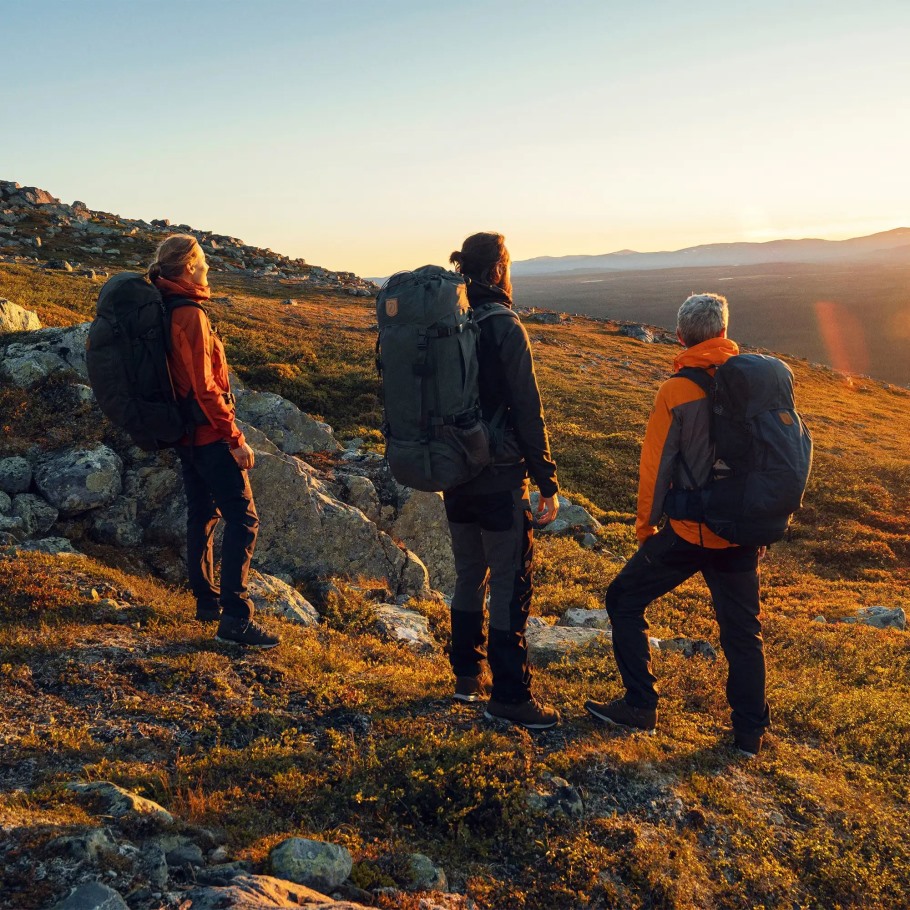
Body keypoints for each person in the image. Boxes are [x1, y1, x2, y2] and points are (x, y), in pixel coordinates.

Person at [584, 293, 770, 756]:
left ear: (682, 336)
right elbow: (775, 463)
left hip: (688, 533)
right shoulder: (757, 384)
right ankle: (749, 735)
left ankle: (640, 707)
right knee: (743, 634)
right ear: (724, 334)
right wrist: (761, 527)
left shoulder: (676, 390)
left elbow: (656, 466)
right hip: (741, 534)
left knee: (623, 598)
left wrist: (646, 528)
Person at [445, 232, 561, 729]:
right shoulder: (504, 325)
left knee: (470, 575)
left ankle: (466, 678)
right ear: (497, 271)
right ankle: (511, 695)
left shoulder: (449, 322)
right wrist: (546, 480)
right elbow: (527, 410)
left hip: (455, 473)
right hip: (498, 478)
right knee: (510, 582)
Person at [148, 234, 279, 649]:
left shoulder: (164, 304)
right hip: (207, 434)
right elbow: (205, 388)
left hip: (186, 434)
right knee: (244, 519)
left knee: (202, 514)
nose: (208, 268)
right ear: (188, 267)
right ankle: (235, 619)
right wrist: (235, 437)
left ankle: (207, 604)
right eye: (203, 261)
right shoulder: (189, 314)